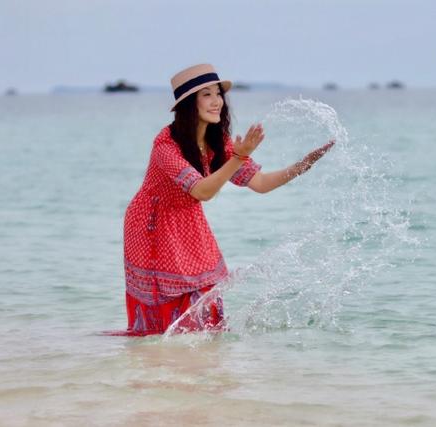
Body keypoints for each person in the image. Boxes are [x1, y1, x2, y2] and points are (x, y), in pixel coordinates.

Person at [120, 64, 334, 336]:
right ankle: (163, 364)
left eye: (218, 94)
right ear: (189, 104)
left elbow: (261, 183)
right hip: (152, 225)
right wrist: (238, 158)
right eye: (206, 95)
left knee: (208, 309)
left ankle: (202, 366)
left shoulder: (217, 141)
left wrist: (302, 166)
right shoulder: (166, 145)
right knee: (167, 320)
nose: (216, 101)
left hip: (188, 220)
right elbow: (202, 191)